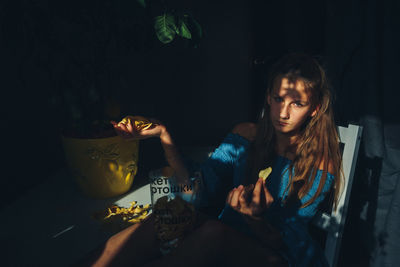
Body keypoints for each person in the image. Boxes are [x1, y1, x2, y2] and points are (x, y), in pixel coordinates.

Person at [80, 53, 342, 267]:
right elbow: (196, 193)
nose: (283, 112)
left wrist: (255, 219)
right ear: (268, 97)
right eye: (278, 99)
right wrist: (165, 137)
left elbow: (287, 242)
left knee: (212, 232)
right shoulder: (245, 135)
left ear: (315, 109)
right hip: (223, 240)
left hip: (277, 257)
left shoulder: (319, 160)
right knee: (161, 221)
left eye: (297, 104)